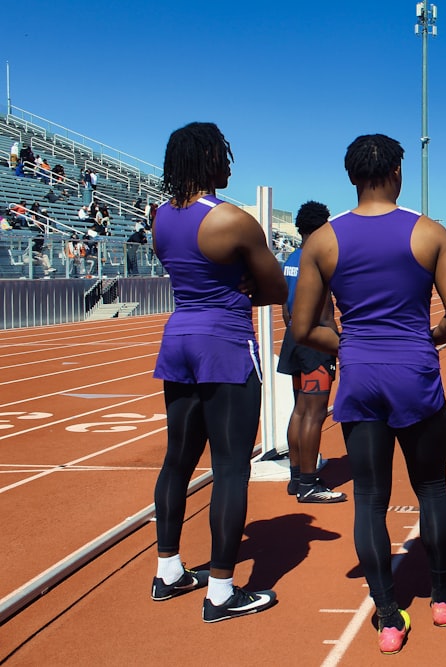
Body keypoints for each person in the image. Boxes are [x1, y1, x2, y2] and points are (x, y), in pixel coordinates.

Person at [292, 133, 446, 654]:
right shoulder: (430, 233)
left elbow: (303, 325)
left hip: (362, 376)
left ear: (351, 177)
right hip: (414, 373)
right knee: (431, 488)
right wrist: (424, 338)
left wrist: (349, 343)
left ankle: (389, 618)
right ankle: (441, 595)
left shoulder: (322, 241)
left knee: (370, 501)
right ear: (397, 173)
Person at [150, 122, 286, 623]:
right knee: (231, 468)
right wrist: (246, 282)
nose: (230, 164)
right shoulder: (232, 219)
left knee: (177, 461)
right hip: (224, 342)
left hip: (178, 336)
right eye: (224, 154)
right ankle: (223, 591)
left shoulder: (158, 216)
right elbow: (276, 289)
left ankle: (168, 571)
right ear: (208, 159)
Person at [277, 200, 346, 504]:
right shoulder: (319, 257)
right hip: (317, 341)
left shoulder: (291, 258)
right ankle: (309, 482)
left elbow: (284, 306)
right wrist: (339, 342)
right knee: (315, 414)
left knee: (299, 410)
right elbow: (326, 310)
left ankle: (295, 477)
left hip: (293, 338)